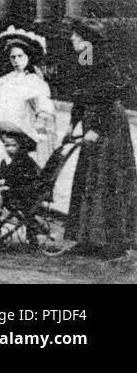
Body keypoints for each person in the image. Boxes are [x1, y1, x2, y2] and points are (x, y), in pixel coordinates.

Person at [64, 18, 137, 258]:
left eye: (76, 36)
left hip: (109, 126)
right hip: (93, 121)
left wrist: (97, 128)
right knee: (90, 177)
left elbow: (111, 93)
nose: (72, 39)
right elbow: (81, 93)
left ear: (87, 40)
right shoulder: (85, 57)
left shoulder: (101, 59)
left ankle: (114, 241)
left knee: (108, 179)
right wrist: (71, 124)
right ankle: (88, 238)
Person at [0, 26, 55, 196]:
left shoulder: (33, 81)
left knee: (16, 158)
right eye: (13, 57)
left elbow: (42, 103)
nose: (16, 60)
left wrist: (43, 115)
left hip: (21, 125)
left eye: (20, 56)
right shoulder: (7, 80)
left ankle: (13, 191)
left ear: (28, 57)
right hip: (3, 124)